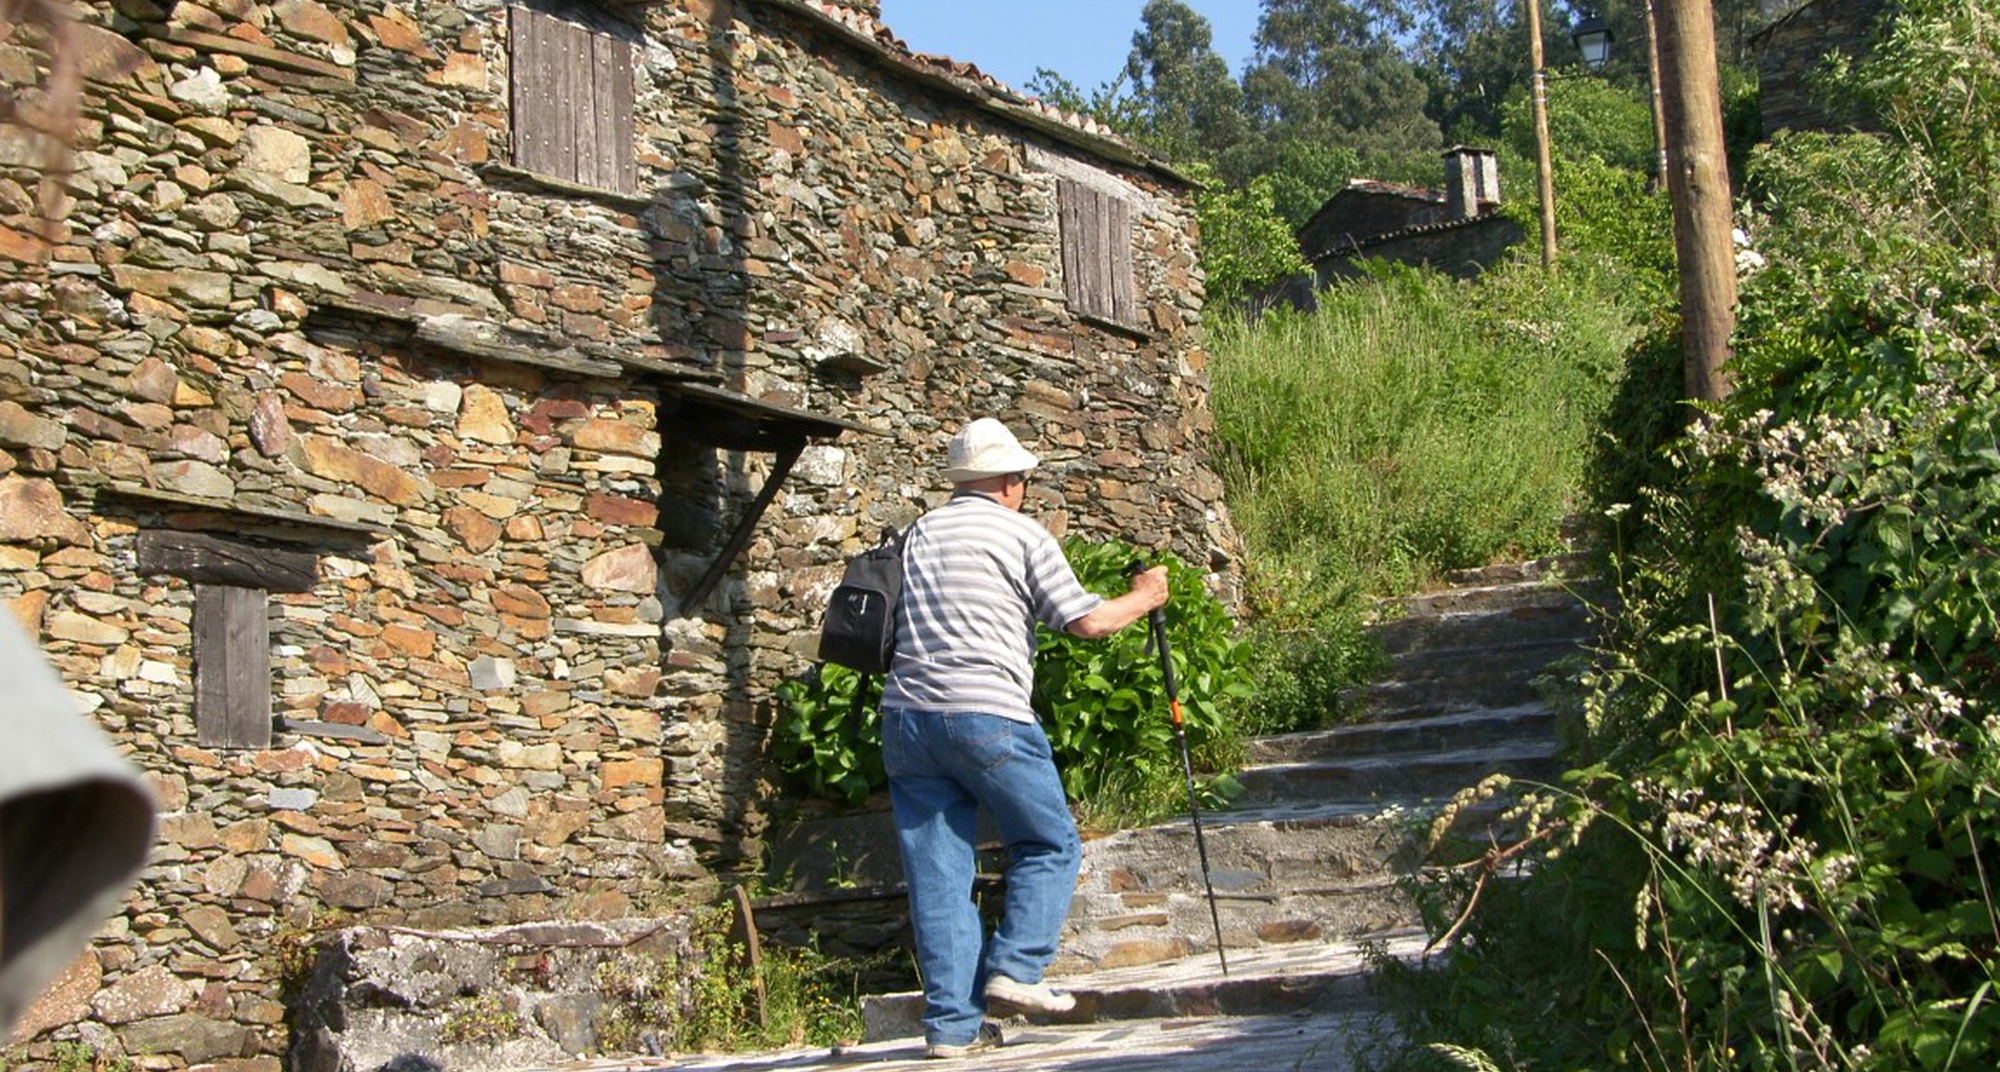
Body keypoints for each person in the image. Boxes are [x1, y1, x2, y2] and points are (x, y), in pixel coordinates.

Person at [880, 417, 1170, 1059]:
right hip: (988, 713)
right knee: (1047, 842)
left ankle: (950, 1031)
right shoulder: (1021, 534)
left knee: (939, 877)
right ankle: (1017, 967)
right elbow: (1087, 622)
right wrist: (1145, 597)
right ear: (1012, 481)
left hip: (905, 719)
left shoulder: (918, 533)